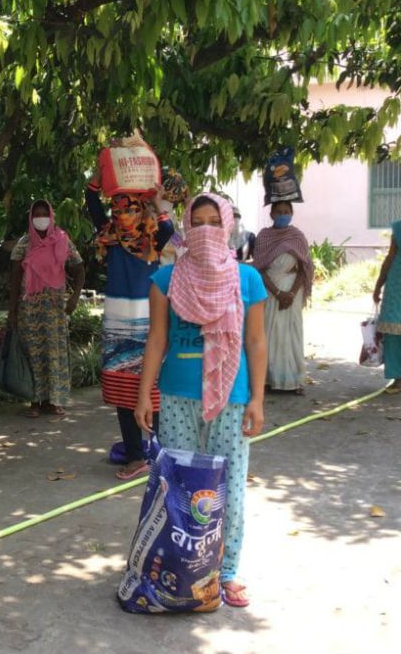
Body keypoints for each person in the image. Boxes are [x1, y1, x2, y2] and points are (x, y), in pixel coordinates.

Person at [134, 193, 267, 609]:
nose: (207, 230)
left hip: (231, 396)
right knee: (179, 489)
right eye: (199, 222)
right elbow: (156, 340)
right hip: (177, 395)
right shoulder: (166, 280)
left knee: (229, 488)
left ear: (226, 226)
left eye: (215, 221)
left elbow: (257, 342)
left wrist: (258, 400)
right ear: (187, 228)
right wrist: (144, 394)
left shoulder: (247, 280)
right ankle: (185, 569)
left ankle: (225, 573)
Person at [86, 173, 175, 480]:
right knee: (123, 389)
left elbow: (168, 227)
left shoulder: (153, 237)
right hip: (116, 323)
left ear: (141, 211)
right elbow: (91, 203)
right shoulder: (108, 234)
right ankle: (136, 456)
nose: (124, 215)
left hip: (150, 324)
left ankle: (162, 452)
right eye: (119, 209)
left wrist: (157, 201)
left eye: (131, 209)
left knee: (153, 389)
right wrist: (97, 180)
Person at [8, 200, 86, 416]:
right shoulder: (24, 244)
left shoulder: (62, 241)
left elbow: (79, 269)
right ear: (31, 219)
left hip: (54, 310)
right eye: (36, 214)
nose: (41, 218)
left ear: (51, 217)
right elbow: (14, 280)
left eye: (45, 214)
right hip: (29, 311)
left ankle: (54, 400)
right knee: (33, 354)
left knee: (54, 353)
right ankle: (35, 401)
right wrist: (12, 311)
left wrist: (74, 298)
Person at [253, 201, 314, 394]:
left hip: (293, 293)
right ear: (271, 214)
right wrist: (278, 293)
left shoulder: (298, 237)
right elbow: (259, 270)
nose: (283, 215)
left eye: (287, 212)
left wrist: (291, 293)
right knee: (269, 332)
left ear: (292, 213)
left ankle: (294, 381)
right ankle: (267, 380)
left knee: (292, 333)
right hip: (270, 292)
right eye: (279, 212)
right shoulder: (263, 237)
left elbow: (305, 269)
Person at [373, 218, 401, 393]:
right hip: (396, 286)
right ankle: (397, 378)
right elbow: (391, 256)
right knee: (392, 334)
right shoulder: (399, 228)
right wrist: (379, 285)